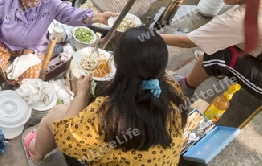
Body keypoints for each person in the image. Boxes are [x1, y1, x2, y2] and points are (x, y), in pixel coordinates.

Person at [23, 27, 188, 165]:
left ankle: (36, 153)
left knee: (57, 113)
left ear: (116, 65)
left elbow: (67, 137)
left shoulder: (108, 113)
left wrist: (81, 94)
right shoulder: (173, 90)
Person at [0, 0, 113, 85]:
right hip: (6, 43)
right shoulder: (5, 1)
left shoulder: (49, 2)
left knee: (33, 75)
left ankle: (8, 74)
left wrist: (98, 17)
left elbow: (70, 14)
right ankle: (5, 72)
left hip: (33, 47)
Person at [161, 0, 262, 99]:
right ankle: (214, 71)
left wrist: (151, 36)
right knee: (218, 40)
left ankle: (185, 89)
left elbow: (188, 41)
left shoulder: (237, 19)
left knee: (218, 52)